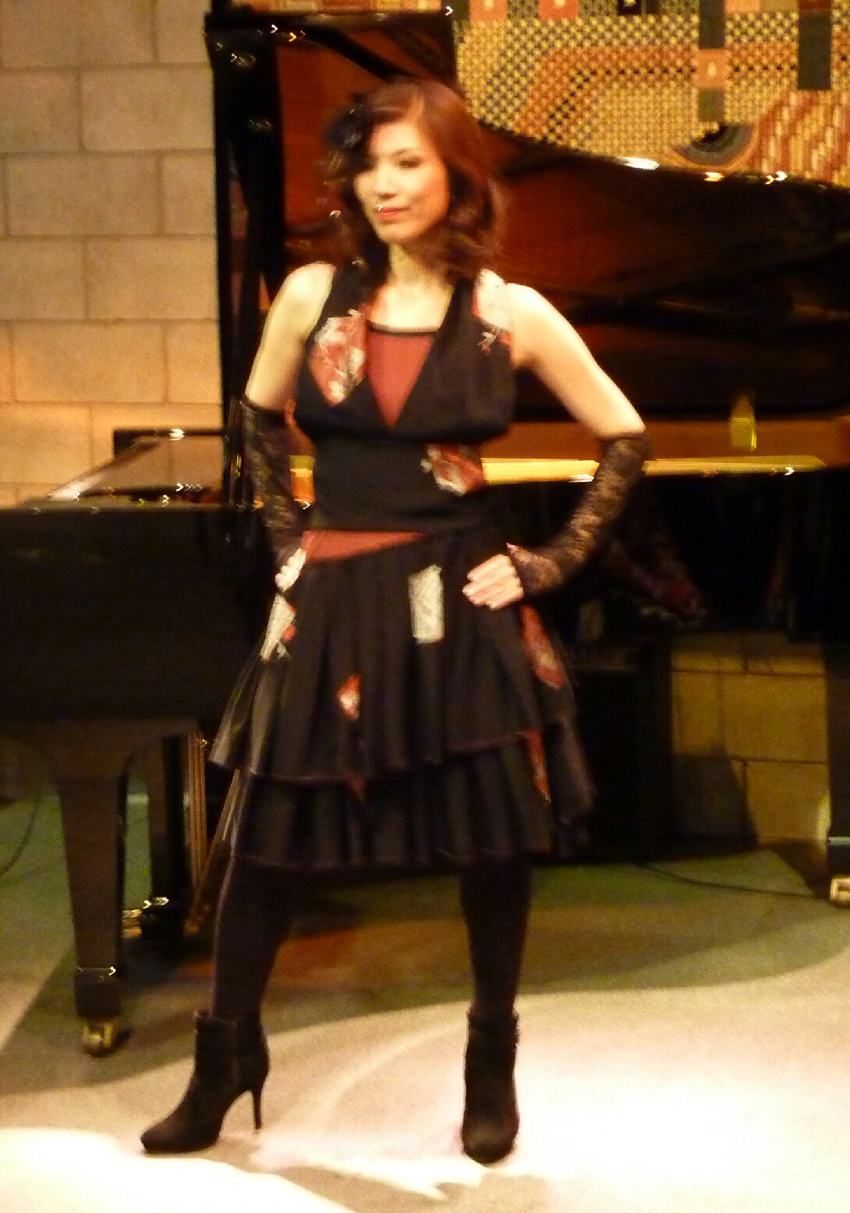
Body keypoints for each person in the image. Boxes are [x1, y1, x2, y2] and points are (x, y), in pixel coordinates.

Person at [141, 78, 648, 1165]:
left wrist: (550, 562)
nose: (384, 182)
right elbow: (257, 421)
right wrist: (288, 545)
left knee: (491, 839)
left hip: (457, 601)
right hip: (333, 600)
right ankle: (224, 1054)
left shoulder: (509, 312)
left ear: (457, 175)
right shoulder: (311, 294)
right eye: (369, 163)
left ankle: (489, 1058)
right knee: (265, 840)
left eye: (409, 160)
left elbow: (624, 433)